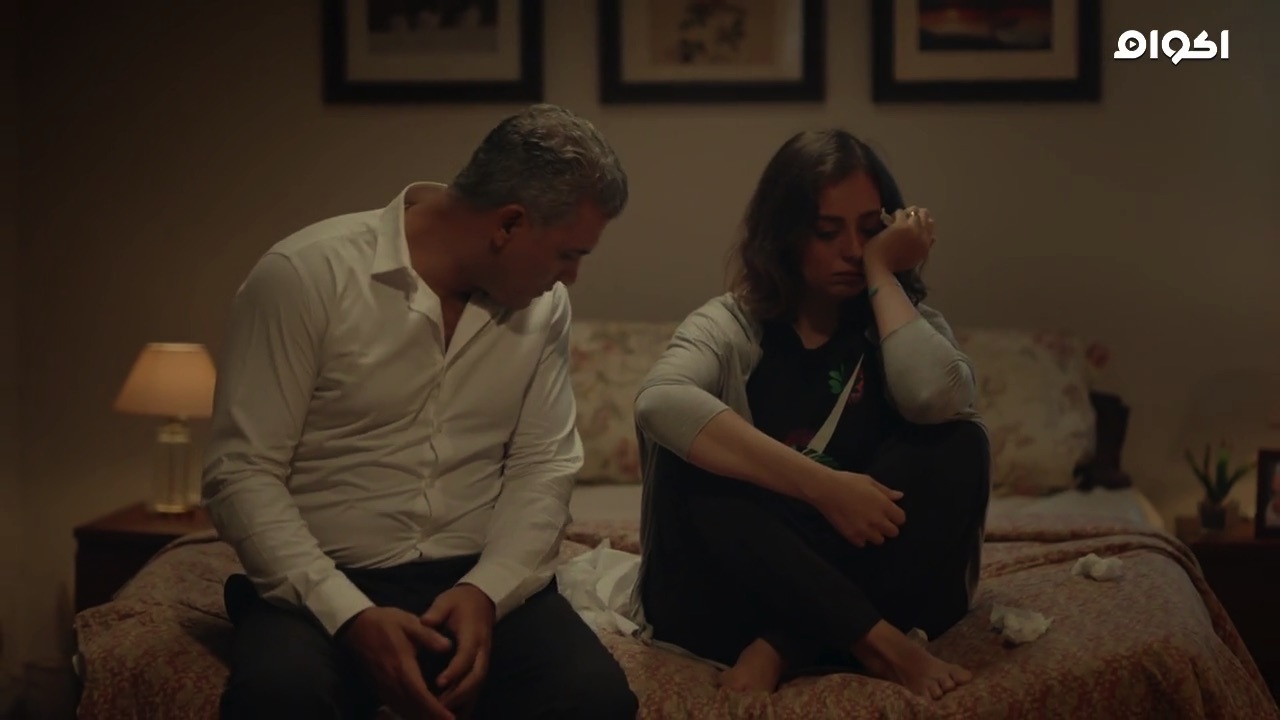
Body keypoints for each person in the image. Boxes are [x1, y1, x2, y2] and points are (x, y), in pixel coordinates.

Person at [202, 104, 639, 720]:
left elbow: (542, 465)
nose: (572, 277)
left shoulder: (544, 308)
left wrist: (486, 591)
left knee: (594, 698)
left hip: (474, 575)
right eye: (568, 254)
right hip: (325, 576)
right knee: (279, 697)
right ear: (509, 223)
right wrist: (348, 613)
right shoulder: (306, 275)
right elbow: (242, 472)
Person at [631, 129, 991, 700]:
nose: (852, 249)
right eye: (827, 232)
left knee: (959, 443)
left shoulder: (904, 322)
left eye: (870, 231)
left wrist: (882, 273)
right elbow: (659, 402)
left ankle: (784, 646)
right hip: (736, 596)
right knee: (691, 459)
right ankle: (881, 645)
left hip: (876, 581)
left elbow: (932, 397)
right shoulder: (732, 323)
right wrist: (825, 488)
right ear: (784, 234)